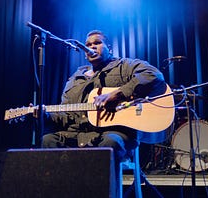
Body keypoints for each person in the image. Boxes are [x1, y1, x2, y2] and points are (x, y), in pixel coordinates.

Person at [41, 30, 167, 196]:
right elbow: (66, 113)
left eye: (97, 43)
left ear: (109, 48)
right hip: (78, 134)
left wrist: (119, 93)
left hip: (112, 133)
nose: (92, 47)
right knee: (48, 140)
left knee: (110, 143)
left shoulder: (124, 66)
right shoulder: (75, 79)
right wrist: (46, 115)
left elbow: (154, 75)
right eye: (88, 45)